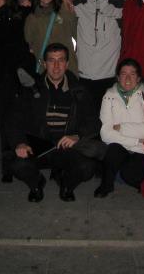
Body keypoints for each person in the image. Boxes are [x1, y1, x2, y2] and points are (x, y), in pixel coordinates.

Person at [7, 43, 100, 202]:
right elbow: (14, 120)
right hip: (40, 145)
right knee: (16, 164)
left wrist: (77, 135)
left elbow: (93, 121)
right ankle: (37, 183)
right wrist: (20, 143)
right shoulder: (31, 88)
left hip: (67, 146)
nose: (56, 66)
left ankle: (66, 184)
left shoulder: (79, 90)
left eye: (61, 60)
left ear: (67, 64)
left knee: (88, 168)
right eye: (51, 60)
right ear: (44, 64)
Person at [0, 0, 34, 183]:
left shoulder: (18, 14)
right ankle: (8, 168)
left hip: (21, 77)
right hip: (1, 79)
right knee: (5, 122)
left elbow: (38, 2)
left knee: (22, 120)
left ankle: (25, 161)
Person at [94, 58, 144, 198]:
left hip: (143, 148)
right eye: (124, 74)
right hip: (124, 145)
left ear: (139, 78)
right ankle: (107, 185)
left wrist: (121, 127)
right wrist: (136, 140)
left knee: (130, 176)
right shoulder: (109, 96)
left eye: (132, 74)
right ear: (118, 77)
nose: (128, 78)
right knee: (113, 150)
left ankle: (122, 174)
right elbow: (105, 133)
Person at [73, 0, 124, 112]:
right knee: (85, 118)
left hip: (109, 77)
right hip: (83, 77)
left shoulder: (119, 8)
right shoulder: (77, 7)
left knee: (107, 118)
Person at [24, 0, 78, 76]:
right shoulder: (31, 18)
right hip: (45, 70)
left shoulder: (65, 10)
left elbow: (77, 34)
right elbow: (29, 44)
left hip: (67, 69)